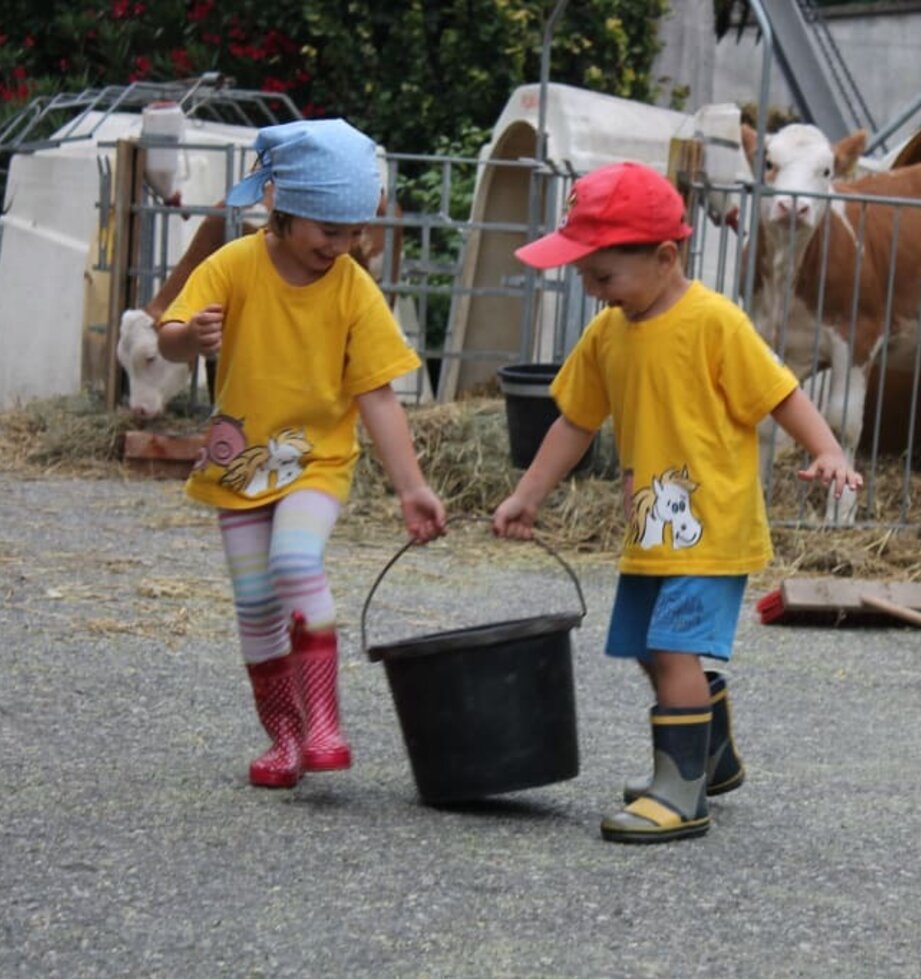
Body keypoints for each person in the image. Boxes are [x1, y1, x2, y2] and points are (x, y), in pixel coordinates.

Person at [492, 162, 862, 843]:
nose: (591, 290)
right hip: (652, 530)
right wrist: (527, 495)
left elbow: (778, 391)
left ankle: (680, 790)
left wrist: (828, 449)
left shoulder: (714, 322)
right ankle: (709, 757)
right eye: (583, 276)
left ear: (665, 258)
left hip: (712, 527)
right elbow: (575, 421)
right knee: (645, 648)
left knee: (669, 650)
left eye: (602, 276)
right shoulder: (608, 334)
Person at [157, 119, 447, 789]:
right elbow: (166, 335)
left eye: (353, 232)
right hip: (239, 466)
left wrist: (411, 487)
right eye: (328, 230)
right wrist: (188, 338)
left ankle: (323, 721)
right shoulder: (232, 265)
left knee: (295, 559)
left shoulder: (352, 288)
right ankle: (282, 735)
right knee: (255, 602)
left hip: (317, 460)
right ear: (278, 209)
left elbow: (376, 396)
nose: (343, 246)